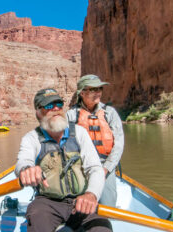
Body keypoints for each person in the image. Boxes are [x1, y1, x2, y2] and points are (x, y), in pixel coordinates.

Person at [15, 88, 112, 232]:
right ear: (38, 112)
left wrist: (91, 194)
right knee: (36, 219)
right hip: (47, 203)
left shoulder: (80, 132)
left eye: (58, 104)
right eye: (48, 106)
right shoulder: (32, 138)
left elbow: (95, 168)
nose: (55, 108)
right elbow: (22, 162)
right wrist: (26, 170)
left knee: (102, 227)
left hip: (81, 200)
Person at [67, 74, 124, 207]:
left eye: (100, 89)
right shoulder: (71, 115)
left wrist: (106, 169)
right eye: (93, 89)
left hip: (105, 165)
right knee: (76, 205)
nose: (98, 92)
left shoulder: (110, 113)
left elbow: (118, 145)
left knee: (107, 205)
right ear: (82, 93)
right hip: (79, 165)